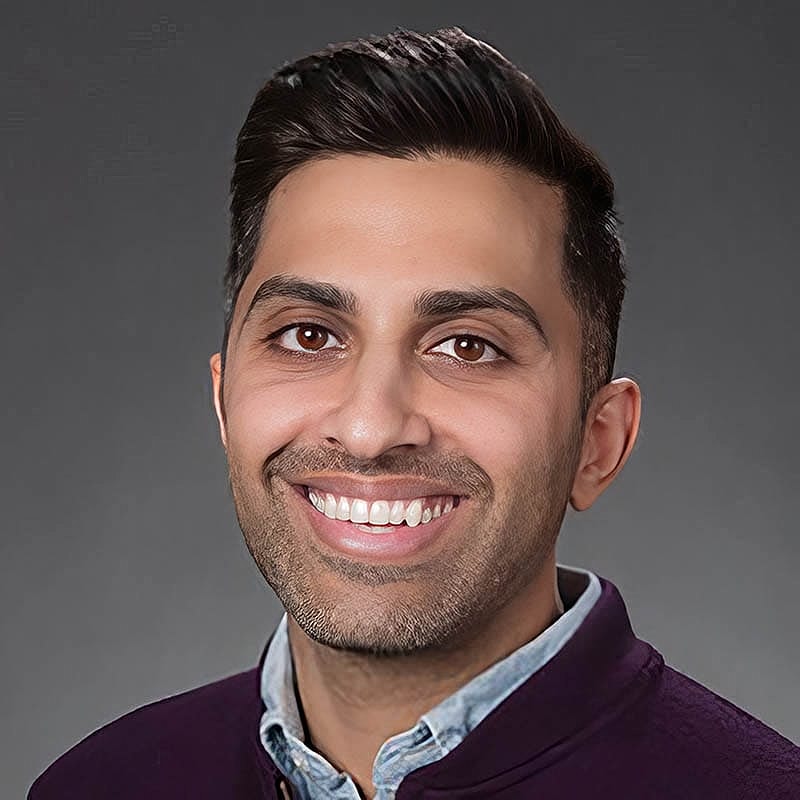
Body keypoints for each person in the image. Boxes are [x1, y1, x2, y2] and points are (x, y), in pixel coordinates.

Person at [29, 24, 799, 800]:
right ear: (225, 401)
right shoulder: (98, 784)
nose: (369, 429)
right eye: (308, 334)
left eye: (467, 347)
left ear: (597, 444)